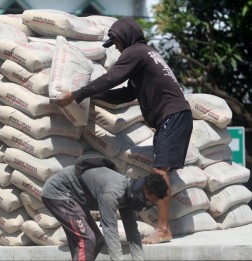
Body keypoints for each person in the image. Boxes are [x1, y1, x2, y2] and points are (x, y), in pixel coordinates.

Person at [53, 17, 193, 244]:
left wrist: (78, 94)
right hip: (175, 116)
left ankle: (164, 229)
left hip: (172, 116)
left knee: (159, 172)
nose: (116, 48)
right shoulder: (146, 54)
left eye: (116, 42)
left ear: (126, 37)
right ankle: (164, 226)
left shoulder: (135, 52)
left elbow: (111, 78)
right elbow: (126, 94)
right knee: (160, 170)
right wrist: (93, 96)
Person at [41, 155, 168, 261]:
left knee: (98, 240)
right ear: (144, 191)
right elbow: (110, 230)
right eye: (149, 201)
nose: (147, 206)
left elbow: (132, 232)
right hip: (59, 193)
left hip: (76, 199)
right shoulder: (112, 193)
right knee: (87, 239)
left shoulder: (130, 195)